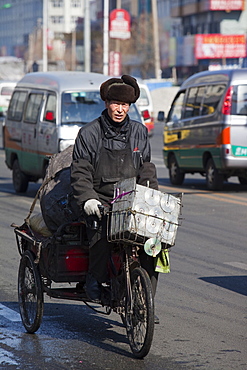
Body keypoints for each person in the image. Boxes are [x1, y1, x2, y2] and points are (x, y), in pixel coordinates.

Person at [70, 75, 160, 322]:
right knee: (102, 236)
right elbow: (80, 172)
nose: (120, 109)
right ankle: (94, 281)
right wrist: (88, 199)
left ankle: (145, 301)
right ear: (107, 103)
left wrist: (151, 200)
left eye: (125, 105)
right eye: (115, 103)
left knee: (152, 247)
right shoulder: (88, 133)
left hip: (130, 201)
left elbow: (147, 169)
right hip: (100, 201)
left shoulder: (139, 132)